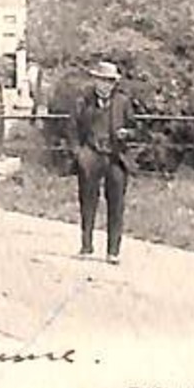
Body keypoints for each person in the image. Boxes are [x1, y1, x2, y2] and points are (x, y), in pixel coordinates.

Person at [71, 60, 137, 264]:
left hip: (115, 157)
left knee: (116, 204)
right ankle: (86, 246)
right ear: (95, 80)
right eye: (101, 80)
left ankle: (113, 251)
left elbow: (135, 128)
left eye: (109, 81)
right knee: (88, 201)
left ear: (114, 83)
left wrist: (127, 133)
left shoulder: (122, 102)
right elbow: (72, 129)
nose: (105, 85)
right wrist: (79, 154)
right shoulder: (83, 101)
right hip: (90, 155)